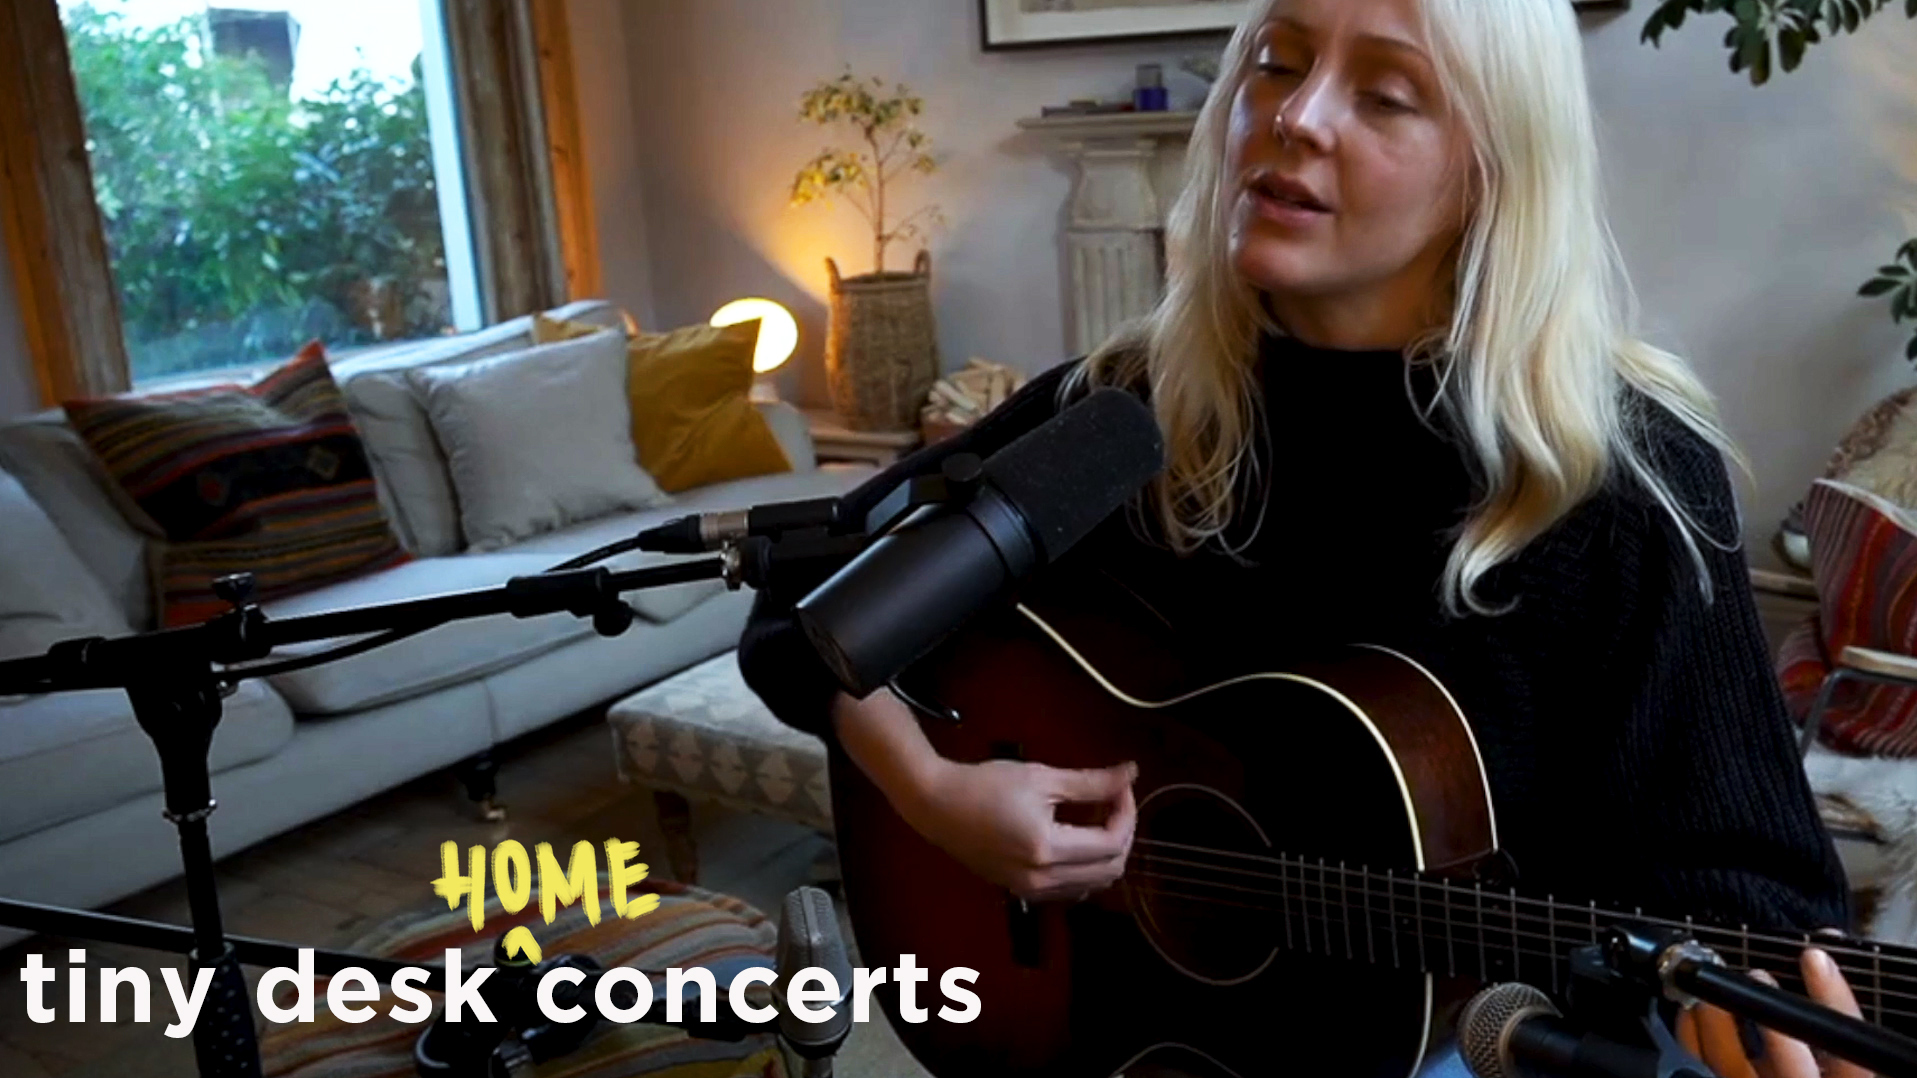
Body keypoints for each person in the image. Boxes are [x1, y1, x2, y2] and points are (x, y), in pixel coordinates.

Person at [740, 0, 1862, 1074]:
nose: (1296, 116)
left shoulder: (1621, 477)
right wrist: (936, 794)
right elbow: (800, 610)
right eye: (1277, 61)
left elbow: (1763, 902)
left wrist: (1763, 1020)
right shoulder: (1121, 415)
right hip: (1116, 1020)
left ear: (1494, 166)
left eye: (1385, 95)